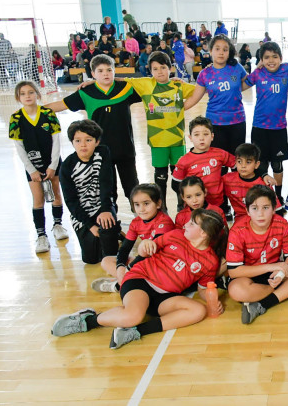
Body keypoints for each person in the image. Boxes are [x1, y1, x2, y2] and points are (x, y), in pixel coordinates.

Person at [51, 208, 226, 350]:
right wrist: (145, 245)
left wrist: (212, 300)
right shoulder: (176, 235)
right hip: (141, 280)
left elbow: (203, 288)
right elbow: (145, 250)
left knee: (198, 311)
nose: (186, 224)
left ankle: (135, 331)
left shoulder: (210, 260)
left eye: (192, 223)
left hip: (165, 297)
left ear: (203, 234)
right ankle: (86, 320)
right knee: (132, 315)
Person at [46, 54, 141, 206]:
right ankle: (111, 224)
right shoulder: (86, 92)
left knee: (133, 189)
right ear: (93, 74)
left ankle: (142, 223)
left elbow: (150, 88)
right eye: (101, 71)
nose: (105, 74)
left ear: (114, 71)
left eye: (109, 70)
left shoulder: (126, 88)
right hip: (100, 151)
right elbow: (61, 104)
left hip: (125, 149)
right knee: (108, 191)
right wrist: (36, 111)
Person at [226, 185, 288, 324]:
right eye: (255, 208)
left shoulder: (281, 224)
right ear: (247, 211)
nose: (260, 214)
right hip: (250, 275)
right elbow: (234, 272)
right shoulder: (237, 231)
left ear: (274, 209)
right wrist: (271, 267)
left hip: (275, 272)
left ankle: (262, 304)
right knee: (236, 290)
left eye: (266, 208)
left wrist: (280, 275)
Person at [124, 51, 195, 212]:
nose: (159, 72)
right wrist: (92, 82)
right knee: (160, 177)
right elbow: (120, 79)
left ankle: (181, 206)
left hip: (177, 140)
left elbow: (200, 90)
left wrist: (184, 106)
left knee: (179, 176)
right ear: (150, 70)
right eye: (155, 69)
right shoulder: (145, 84)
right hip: (158, 141)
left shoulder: (178, 85)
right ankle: (161, 208)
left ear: (170, 68)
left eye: (163, 67)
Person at [9, 81, 68, 253]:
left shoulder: (48, 113)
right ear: (18, 97)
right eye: (23, 94)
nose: (27, 96)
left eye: (30, 92)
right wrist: (31, 169)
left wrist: (53, 165)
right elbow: (18, 147)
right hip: (32, 166)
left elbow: (56, 140)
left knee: (56, 194)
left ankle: (58, 226)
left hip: (52, 162)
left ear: (37, 94)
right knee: (38, 199)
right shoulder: (16, 118)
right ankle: (41, 236)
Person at [59, 120, 121, 264]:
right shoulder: (67, 166)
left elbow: (107, 183)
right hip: (81, 214)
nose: (83, 144)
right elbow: (70, 201)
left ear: (97, 142)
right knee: (91, 259)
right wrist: (90, 225)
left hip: (102, 206)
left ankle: (113, 234)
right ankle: (109, 236)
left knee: (110, 253)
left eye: (88, 140)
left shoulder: (103, 153)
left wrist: (107, 209)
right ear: (72, 142)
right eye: (78, 141)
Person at [93, 183, 175, 293]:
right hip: (145, 263)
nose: (141, 209)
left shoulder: (165, 221)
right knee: (106, 261)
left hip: (163, 264)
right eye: (137, 204)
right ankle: (125, 280)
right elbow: (125, 248)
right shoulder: (136, 223)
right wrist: (121, 267)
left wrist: (128, 268)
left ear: (158, 203)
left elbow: (153, 253)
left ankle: (119, 284)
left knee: (142, 262)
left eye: (146, 203)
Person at [184, 36, 248, 167]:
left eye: (225, 49)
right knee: (219, 164)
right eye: (217, 49)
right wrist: (175, 109)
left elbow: (250, 81)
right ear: (210, 50)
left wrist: (262, 67)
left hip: (237, 122)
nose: (221, 52)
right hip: (215, 124)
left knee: (237, 162)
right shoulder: (205, 74)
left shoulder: (237, 68)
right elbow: (194, 98)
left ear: (229, 52)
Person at [243, 41, 288, 204]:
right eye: (266, 58)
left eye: (274, 56)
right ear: (261, 60)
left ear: (281, 58)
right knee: (261, 163)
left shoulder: (287, 69)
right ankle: (264, 194)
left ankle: (278, 195)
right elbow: (241, 85)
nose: (271, 60)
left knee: (278, 164)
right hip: (259, 127)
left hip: (278, 128)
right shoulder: (258, 73)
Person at [172, 117, 236, 212]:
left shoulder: (220, 154)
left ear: (212, 136)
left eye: (205, 134)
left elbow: (237, 165)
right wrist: (189, 197)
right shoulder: (184, 161)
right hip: (196, 207)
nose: (201, 138)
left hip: (218, 204)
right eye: (196, 135)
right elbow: (175, 184)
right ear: (190, 138)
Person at [222, 143, 275, 220]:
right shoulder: (227, 179)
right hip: (240, 219)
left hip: (261, 219)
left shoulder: (264, 184)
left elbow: (275, 209)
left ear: (257, 164)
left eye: (248, 162)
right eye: (239, 161)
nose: (243, 166)